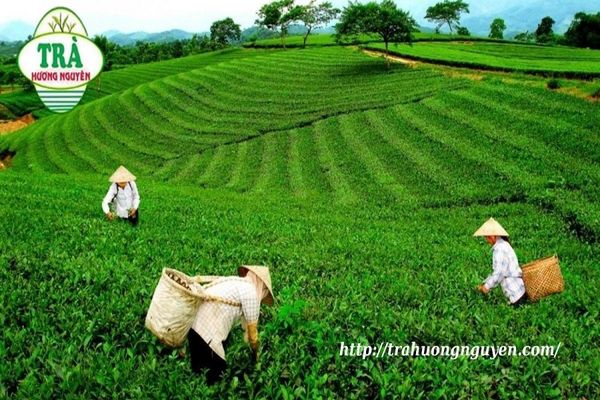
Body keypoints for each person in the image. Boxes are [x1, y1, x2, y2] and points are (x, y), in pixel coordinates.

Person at [188, 265, 274, 383]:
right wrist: (255, 357)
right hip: (207, 335)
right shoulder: (251, 292)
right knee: (219, 377)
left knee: (198, 376)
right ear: (262, 286)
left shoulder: (234, 282)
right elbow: (252, 336)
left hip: (192, 328)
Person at [474, 218, 527, 306]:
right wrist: (484, 283)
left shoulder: (499, 249)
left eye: (487, 237)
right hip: (520, 291)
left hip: (515, 295)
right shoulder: (505, 244)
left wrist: (486, 287)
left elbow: (499, 274)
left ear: (492, 236)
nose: (487, 240)